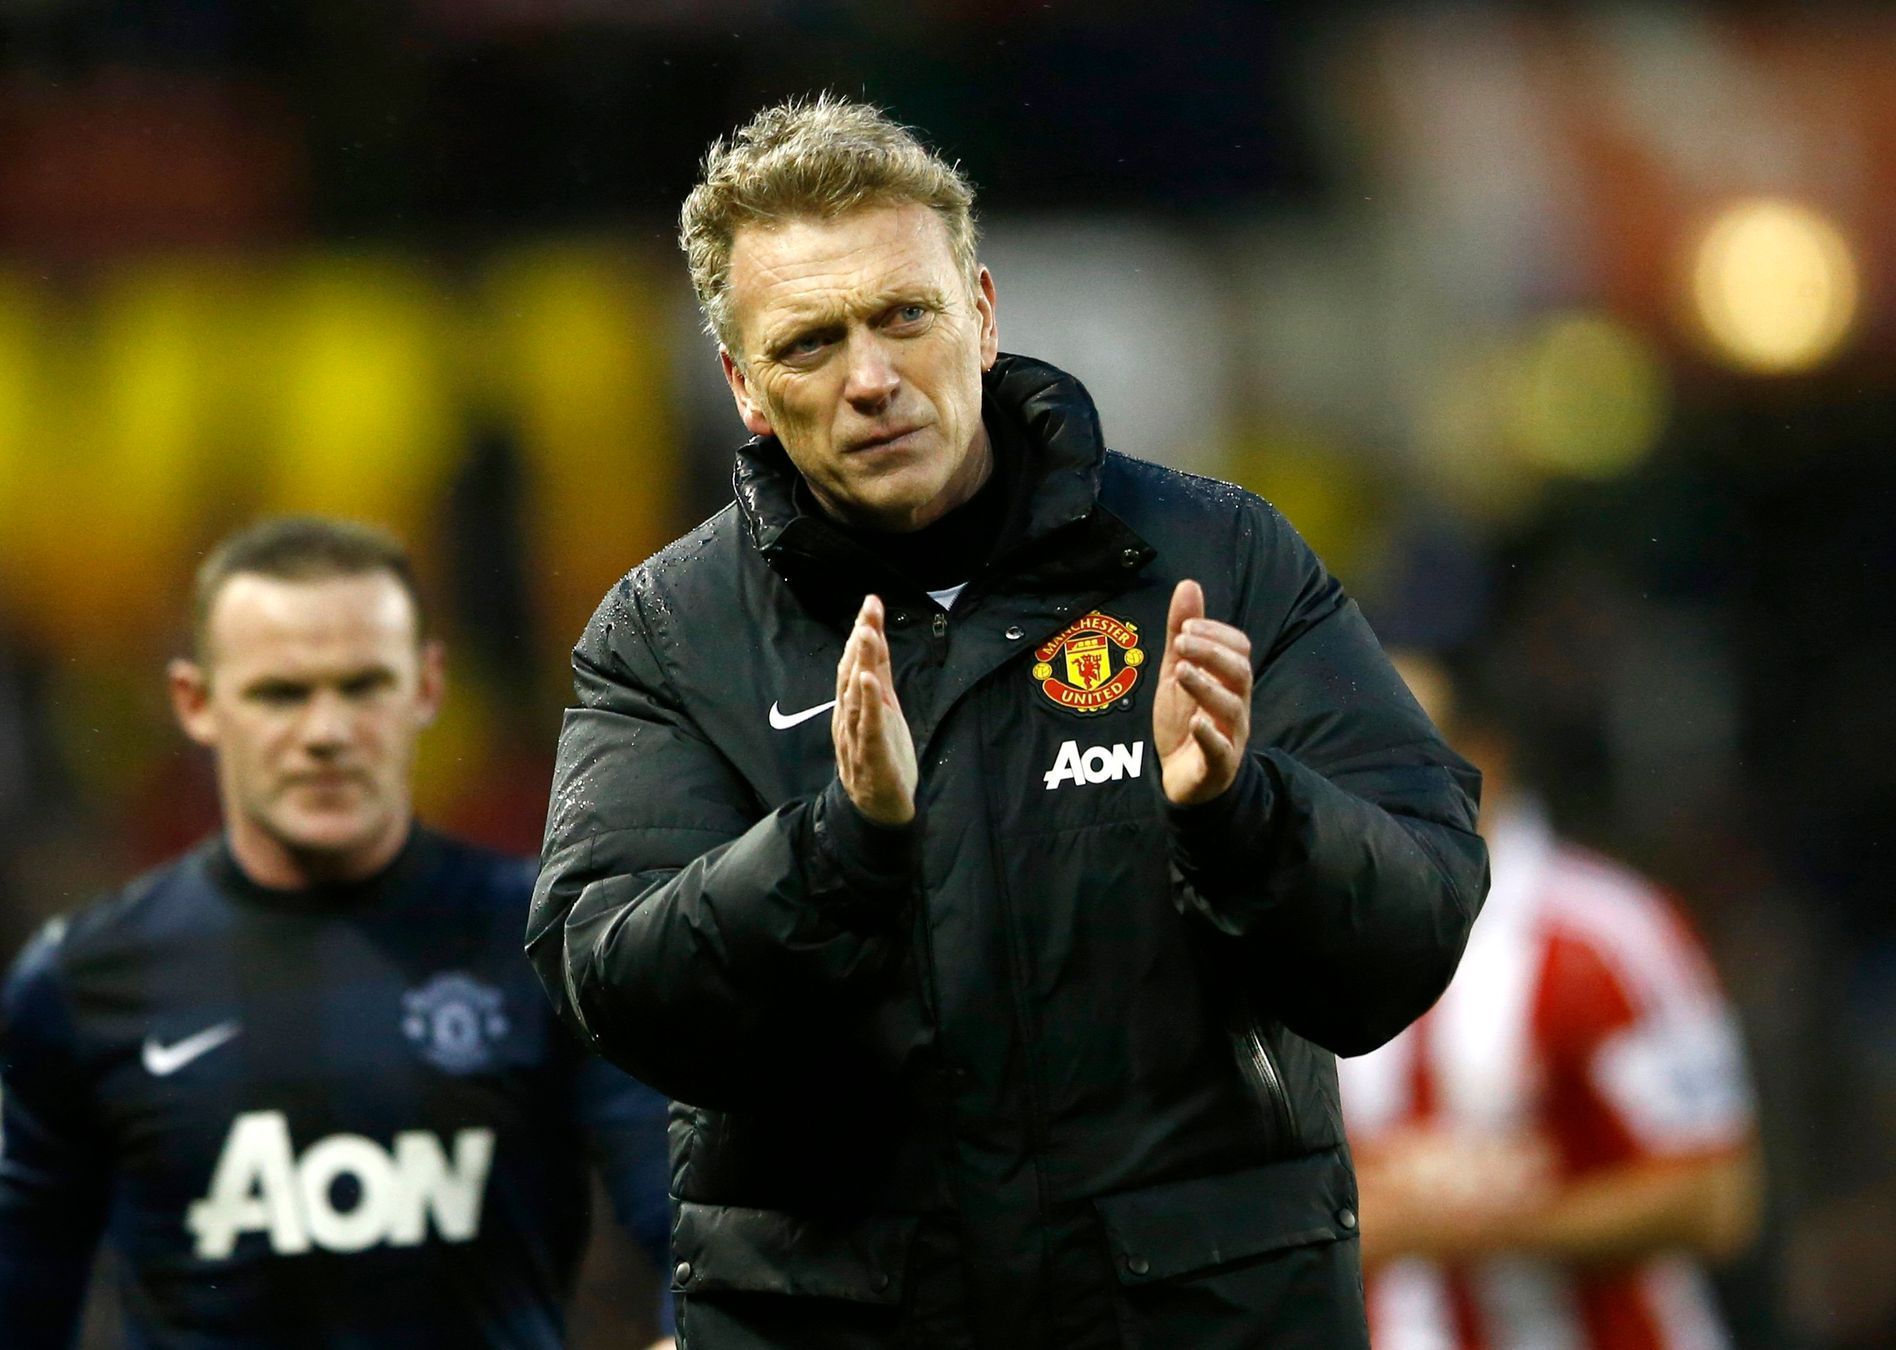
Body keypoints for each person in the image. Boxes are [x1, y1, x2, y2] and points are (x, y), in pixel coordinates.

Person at [527, 96, 1488, 1349]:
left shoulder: (1218, 558)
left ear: (980, 314)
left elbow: (1410, 935)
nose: (871, 379)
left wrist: (1241, 814)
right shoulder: (667, 636)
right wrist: (839, 849)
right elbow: (614, 986)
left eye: (903, 316)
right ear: (744, 386)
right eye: (811, 343)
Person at [0, 517, 675, 1349]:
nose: (326, 732)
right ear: (196, 703)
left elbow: (692, 1218)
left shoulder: (552, 939)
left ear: (427, 687)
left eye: (362, 686)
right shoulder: (81, 982)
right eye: (281, 693)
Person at [1339, 650, 1762, 1349]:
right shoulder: (1322, 945)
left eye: (1389, 749)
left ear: (1481, 758)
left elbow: (1716, 1200)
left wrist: (1457, 1225)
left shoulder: (1607, 934)